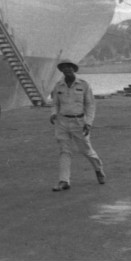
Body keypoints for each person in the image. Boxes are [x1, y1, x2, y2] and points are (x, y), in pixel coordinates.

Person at [49, 59, 105, 192]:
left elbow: (90, 105)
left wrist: (88, 123)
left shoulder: (84, 85)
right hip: (62, 122)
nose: (67, 70)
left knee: (86, 150)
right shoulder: (58, 86)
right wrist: (53, 113)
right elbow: (55, 103)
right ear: (61, 70)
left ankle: (98, 169)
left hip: (79, 122)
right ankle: (64, 181)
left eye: (69, 67)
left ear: (74, 69)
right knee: (64, 151)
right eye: (64, 68)